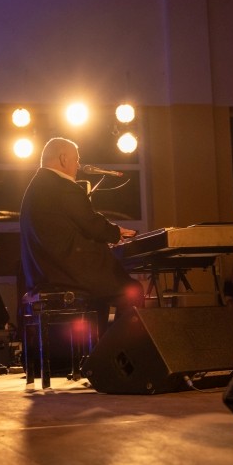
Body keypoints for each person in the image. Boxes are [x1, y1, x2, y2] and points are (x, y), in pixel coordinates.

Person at [19, 137, 144, 334]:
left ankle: (100, 340)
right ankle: (116, 346)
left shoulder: (34, 188)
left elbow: (69, 226)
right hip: (69, 275)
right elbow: (91, 224)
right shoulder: (63, 186)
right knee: (131, 290)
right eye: (76, 159)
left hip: (44, 274)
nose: (78, 165)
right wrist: (115, 232)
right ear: (63, 159)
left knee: (112, 292)